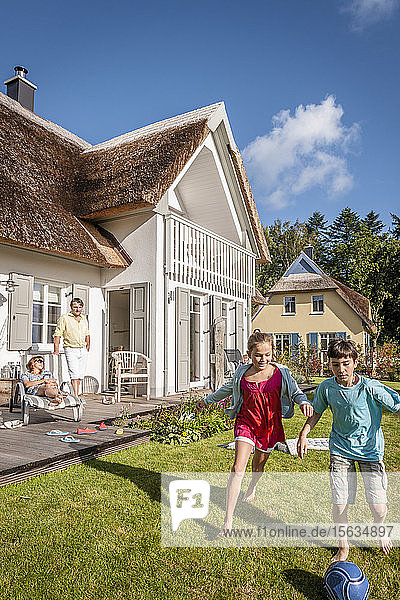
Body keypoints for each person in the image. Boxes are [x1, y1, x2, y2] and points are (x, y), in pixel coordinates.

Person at [196, 331, 313, 535]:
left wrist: (303, 402)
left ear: (272, 353)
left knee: (259, 464)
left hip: (269, 425)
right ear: (250, 354)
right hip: (246, 422)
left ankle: (252, 486)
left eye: (267, 354)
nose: (263, 359)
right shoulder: (242, 373)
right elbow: (226, 389)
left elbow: (295, 392)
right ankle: (228, 520)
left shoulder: (281, 372)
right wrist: (207, 401)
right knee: (237, 467)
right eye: (258, 355)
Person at [297, 339, 400, 561]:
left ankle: (380, 529)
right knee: (339, 500)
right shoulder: (326, 387)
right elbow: (316, 412)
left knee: (378, 507)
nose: (341, 370)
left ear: (355, 362)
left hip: (370, 451)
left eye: (345, 363)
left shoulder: (370, 387)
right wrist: (304, 433)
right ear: (330, 364)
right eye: (335, 364)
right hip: (340, 448)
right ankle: (343, 546)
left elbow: (396, 405)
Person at [53, 297, 90, 398]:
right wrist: (56, 350)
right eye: (75, 307)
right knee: (74, 373)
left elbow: (87, 333)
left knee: (80, 374)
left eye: (79, 307)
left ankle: (76, 394)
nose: (77, 309)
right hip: (70, 349)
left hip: (82, 349)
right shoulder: (65, 318)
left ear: (82, 308)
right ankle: (76, 397)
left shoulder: (83, 318)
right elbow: (57, 334)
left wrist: (88, 346)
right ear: (71, 307)